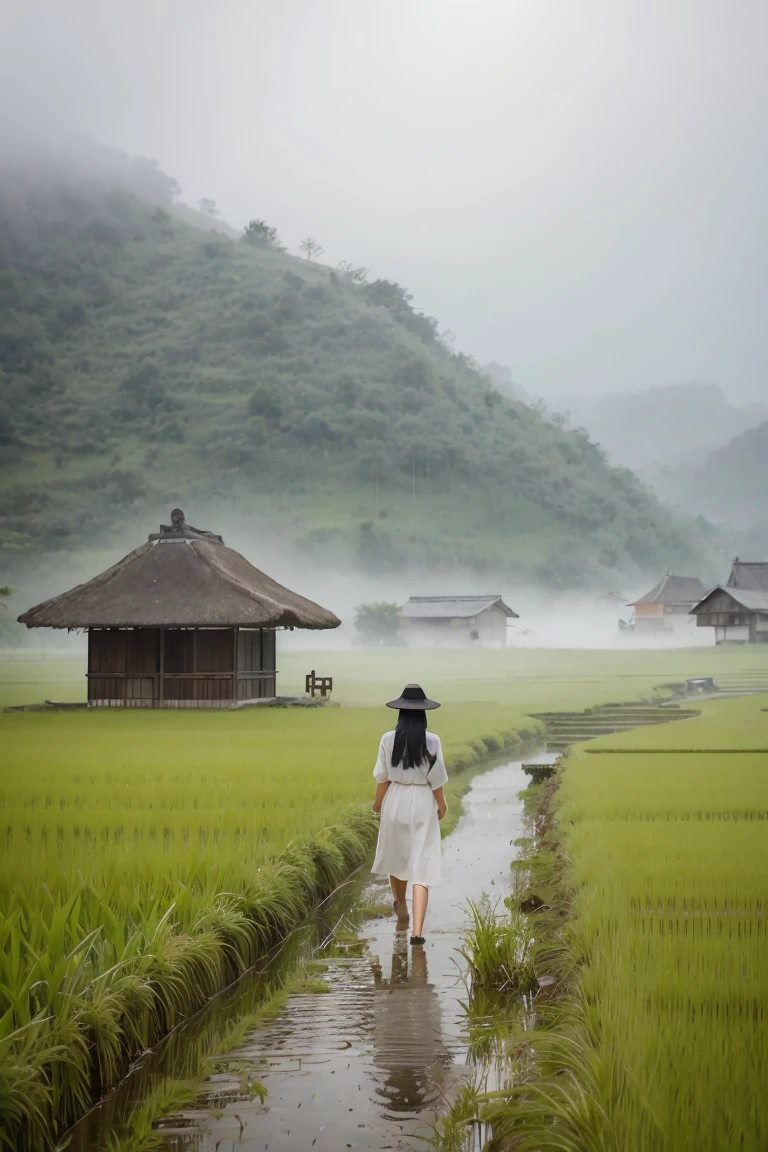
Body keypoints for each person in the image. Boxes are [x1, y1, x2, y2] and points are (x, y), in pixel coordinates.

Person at [371, 683, 448, 945]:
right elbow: (436, 780)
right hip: (423, 801)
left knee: (397, 856)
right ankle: (417, 932)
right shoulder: (433, 740)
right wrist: (442, 806)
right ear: (424, 714)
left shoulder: (387, 739)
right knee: (422, 866)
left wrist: (377, 804)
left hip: (395, 799)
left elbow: (382, 778)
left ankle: (400, 906)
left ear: (400, 714)